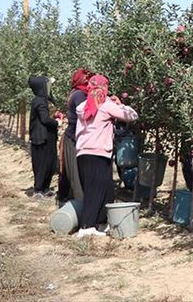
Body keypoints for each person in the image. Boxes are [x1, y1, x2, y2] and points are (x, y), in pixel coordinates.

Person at [75, 75, 138, 238]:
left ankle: (101, 223)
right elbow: (132, 115)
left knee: (104, 189)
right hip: (98, 152)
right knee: (95, 190)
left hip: (82, 153)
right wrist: (119, 104)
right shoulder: (105, 105)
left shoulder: (83, 106)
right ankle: (87, 226)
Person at [58, 68, 92, 204]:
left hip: (73, 137)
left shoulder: (77, 92)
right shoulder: (79, 95)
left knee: (71, 172)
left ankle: (70, 200)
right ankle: (80, 205)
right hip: (73, 139)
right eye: (87, 79)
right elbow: (86, 114)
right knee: (76, 174)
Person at [28, 76, 59, 198]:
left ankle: (45, 188)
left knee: (50, 162)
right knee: (42, 163)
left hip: (49, 136)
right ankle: (38, 189)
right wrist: (57, 123)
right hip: (41, 137)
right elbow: (45, 119)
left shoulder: (44, 100)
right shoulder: (39, 101)